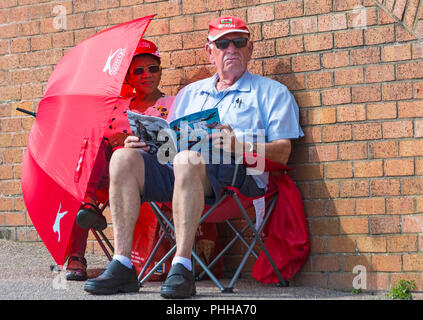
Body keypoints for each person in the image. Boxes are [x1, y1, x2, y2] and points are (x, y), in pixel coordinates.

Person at [83, 15, 304, 298]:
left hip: (239, 179)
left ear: (250, 49)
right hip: (181, 174)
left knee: (186, 159)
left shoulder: (272, 92)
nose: (231, 49)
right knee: (123, 158)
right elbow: (170, 142)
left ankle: (182, 266)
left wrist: (239, 145)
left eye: (239, 42)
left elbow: (283, 153)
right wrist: (146, 144)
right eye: (223, 44)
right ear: (209, 52)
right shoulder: (190, 93)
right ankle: (123, 264)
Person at [65, 39, 175, 281]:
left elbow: (172, 150)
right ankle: (87, 209)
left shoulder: (172, 104)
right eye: (139, 70)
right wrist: (113, 137)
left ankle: (87, 209)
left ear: (160, 71)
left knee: (85, 183)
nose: (147, 75)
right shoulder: (117, 106)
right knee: (88, 158)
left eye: (153, 68)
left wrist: (130, 140)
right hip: (103, 175)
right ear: (129, 77)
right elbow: (94, 136)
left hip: (145, 173)